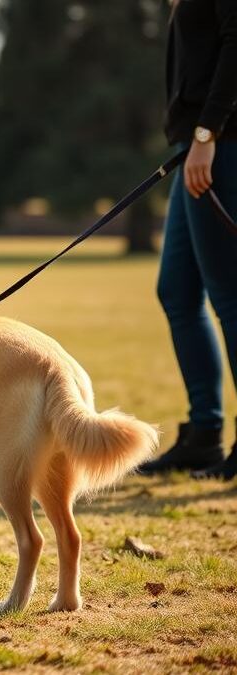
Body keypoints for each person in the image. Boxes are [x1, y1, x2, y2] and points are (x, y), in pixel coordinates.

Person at [139, 0, 237, 479]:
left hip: (220, 143)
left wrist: (207, 131)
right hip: (196, 144)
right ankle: (204, 434)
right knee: (177, 290)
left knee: (229, 294)